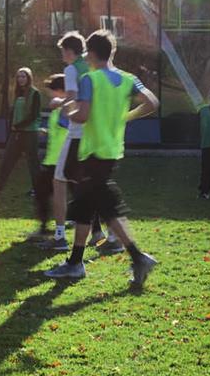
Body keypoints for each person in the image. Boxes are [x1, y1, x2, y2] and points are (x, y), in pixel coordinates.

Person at [44, 29, 159, 287]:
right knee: (86, 206)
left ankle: (137, 256)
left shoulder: (91, 80)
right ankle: (75, 263)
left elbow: (82, 116)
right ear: (112, 52)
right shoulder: (129, 79)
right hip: (112, 150)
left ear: (91, 54)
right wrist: (125, 117)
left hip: (92, 151)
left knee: (106, 207)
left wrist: (65, 106)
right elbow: (152, 103)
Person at [47, 32, 110, 253]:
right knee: (86, 185)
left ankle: (60, 235)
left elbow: (72, 96)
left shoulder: (72, 69)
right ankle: (99, 231)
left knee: (59, 181)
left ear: (68, 51)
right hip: (95, 132)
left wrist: (58, 101)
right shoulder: (92, 67)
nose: (62, 55)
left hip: (77, 132)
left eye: (62, 51)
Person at [0, 68, 41, 194]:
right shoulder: (17, 93)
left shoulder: (35, 93)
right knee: (7, 160)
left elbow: (33, 115)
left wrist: (19, 126)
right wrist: (13, 128)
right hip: (16, 134)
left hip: (29, 133)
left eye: (24, 76)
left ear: (29, 78)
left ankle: (38, 189)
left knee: (33, 163)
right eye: (19, 77)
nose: (21, 79)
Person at [30, 74, 69, 242]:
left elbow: (68, 127)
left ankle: (47, 228)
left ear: (61, 91)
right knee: (44, 193)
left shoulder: (64, 109)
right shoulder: (58, 110)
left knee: (43, 192)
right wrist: (46, 132)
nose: (50, 95)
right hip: (53, 159)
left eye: (52, 91)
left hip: (60, 160)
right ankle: (49, 226)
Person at [199, 87, 210, 200]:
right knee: (206, 170)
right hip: (207, 145)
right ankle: (204, 192)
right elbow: (196, 127)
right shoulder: (203, 111)